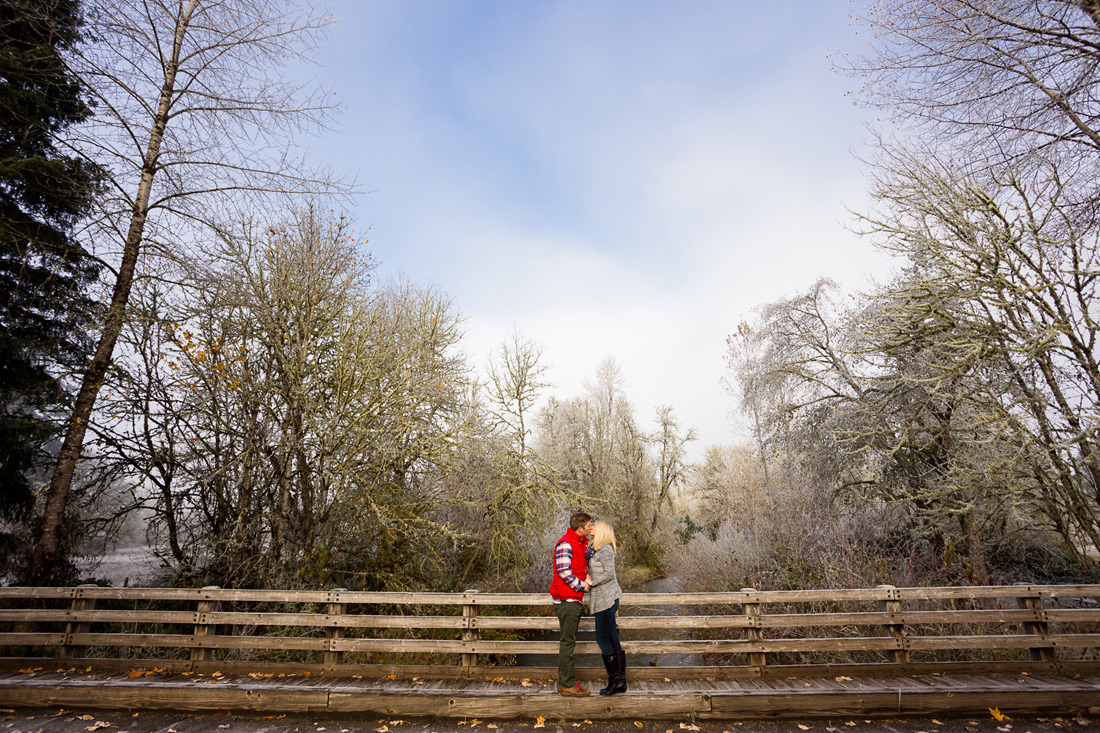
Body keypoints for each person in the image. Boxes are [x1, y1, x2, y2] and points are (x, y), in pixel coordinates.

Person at [550, 511, 594, 697]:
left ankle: (566, 682)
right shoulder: (566, 544)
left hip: (572, 599)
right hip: (567, 600)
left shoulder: (579, 543)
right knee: (568, 642)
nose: (591, 527)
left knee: (569, 642)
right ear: (580, 528)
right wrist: (582, 586)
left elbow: (577, 566)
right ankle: (567, 684)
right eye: (589, 526)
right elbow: (564, 572)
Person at [587, 520, 626, 695]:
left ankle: (615, 681)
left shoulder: (606, 549)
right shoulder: (595, 549)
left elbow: (609, 573)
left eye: (594, 525)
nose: (591, 526)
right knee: (611, 638)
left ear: (601, 531)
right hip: (603, 598)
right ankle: (620, 682)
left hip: (607, 599)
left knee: (602, 639)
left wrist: (592, 581)